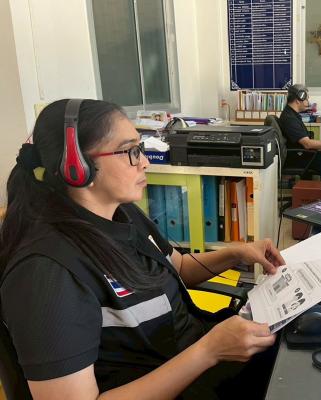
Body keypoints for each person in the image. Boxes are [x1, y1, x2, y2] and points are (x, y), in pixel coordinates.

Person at [0, 99, 286, 399]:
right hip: (189, 376)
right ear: (78, 166)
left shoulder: (123, 213)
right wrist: (209, 350)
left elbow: (178, 267)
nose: (145, 162)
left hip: (200, 356)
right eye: (131, 151)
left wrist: (238, 253)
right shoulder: (46, 273)